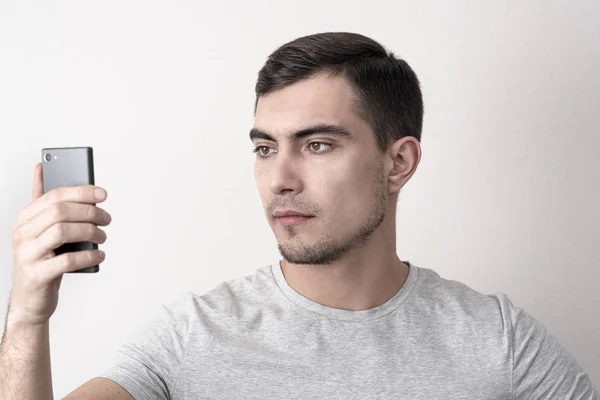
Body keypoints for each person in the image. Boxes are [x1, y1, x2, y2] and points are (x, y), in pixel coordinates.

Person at [1, 31, 598, 400]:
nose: (279, 179)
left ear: (399, 162)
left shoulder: (500, 342)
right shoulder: (192, 335)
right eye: (265, 147)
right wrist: (28, 317)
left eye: (318, 145)